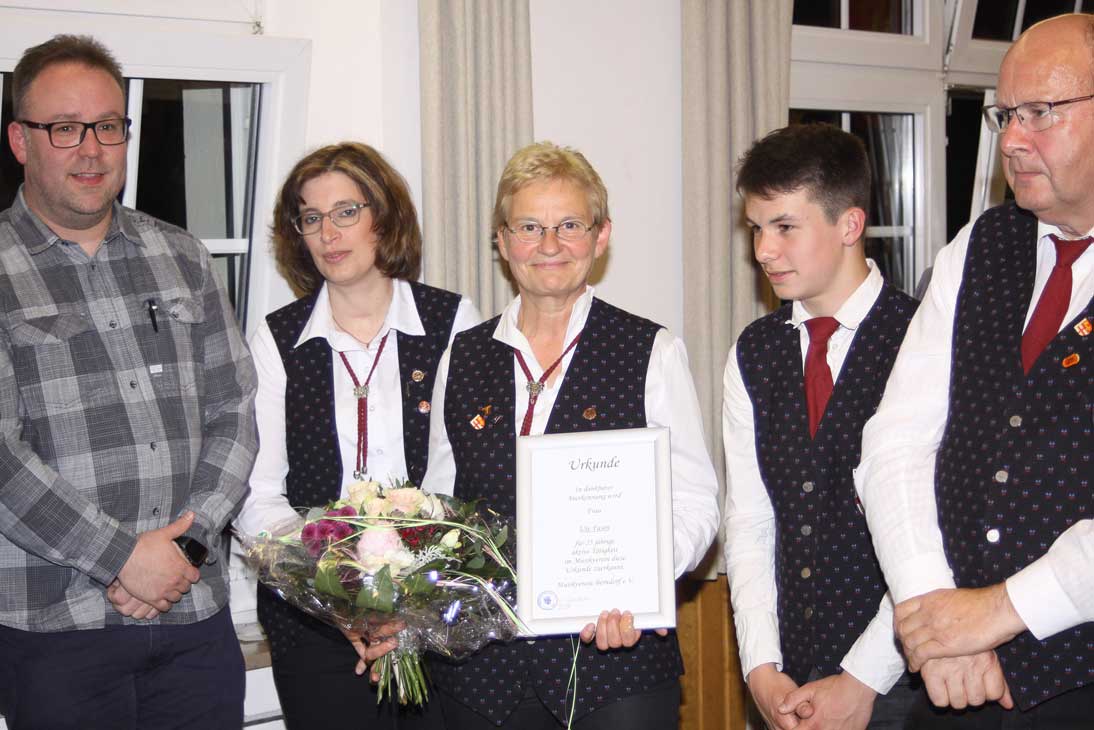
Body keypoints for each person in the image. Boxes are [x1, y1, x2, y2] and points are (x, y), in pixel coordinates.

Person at [0, 34, 257, 729]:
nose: (91, 150)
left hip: (195, 617)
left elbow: (234, 410)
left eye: (108, 126)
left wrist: (186, 549)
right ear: (20, 140)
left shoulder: (182, 254)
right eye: (64, 128)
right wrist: (120, 559)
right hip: (55, 630)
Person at [419, 141, 720, 728]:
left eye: (570, 225)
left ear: (601, 237)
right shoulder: (463, 355)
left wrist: (642, 583)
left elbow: (695, 501)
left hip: (617, 666)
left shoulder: (651, 350)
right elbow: (440, 504)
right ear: (502, 240)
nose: (549, 245)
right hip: (483, 673)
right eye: (529, 227)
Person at [854, 13, 1094, 728]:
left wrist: (1000, 610)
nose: (1012, 140)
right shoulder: (979, 247)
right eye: (1005, 115)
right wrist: (934, 612)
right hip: (953, 682)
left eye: (1040, 112)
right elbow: (896, 440)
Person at [234, 141, 481, 729]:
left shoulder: (451, 321)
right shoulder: (276, 339)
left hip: (435, 609)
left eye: (346, 211)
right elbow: (257, 493)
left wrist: (412, 590)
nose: (329, 233)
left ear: (384, 217)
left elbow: (463, 470)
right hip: (314, 622)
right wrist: (337, 589)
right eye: (311, 217)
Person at [721, 124, 919, 730]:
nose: (763, 251)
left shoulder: (924, 340)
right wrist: (760, 666)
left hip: (905, 683)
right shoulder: (753, 352)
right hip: (786, 682)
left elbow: (939, 533)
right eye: (756, 228)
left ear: (849, 225)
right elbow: (751, 520)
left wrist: (863, 679)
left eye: (785, 227)